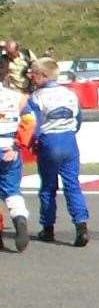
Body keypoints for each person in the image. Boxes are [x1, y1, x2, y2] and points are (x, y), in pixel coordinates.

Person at [28, 59, 90, 247]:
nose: (31, 77)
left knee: (48, 187)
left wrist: (33, 142)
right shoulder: (69, 93)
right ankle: (81, 225)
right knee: (72, 184)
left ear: (44, 76)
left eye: (34, 74)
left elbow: (33, 123)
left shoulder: (37, 97)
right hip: (69, 140)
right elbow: (78, 118)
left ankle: (47, 228)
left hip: (49, 141)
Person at [0, 58, 35, 252]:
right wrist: (17, 145)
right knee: (12, 190)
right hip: (9, 147)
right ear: (6, 74)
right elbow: (30, 122)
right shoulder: (18, 97)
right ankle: (20, 219)